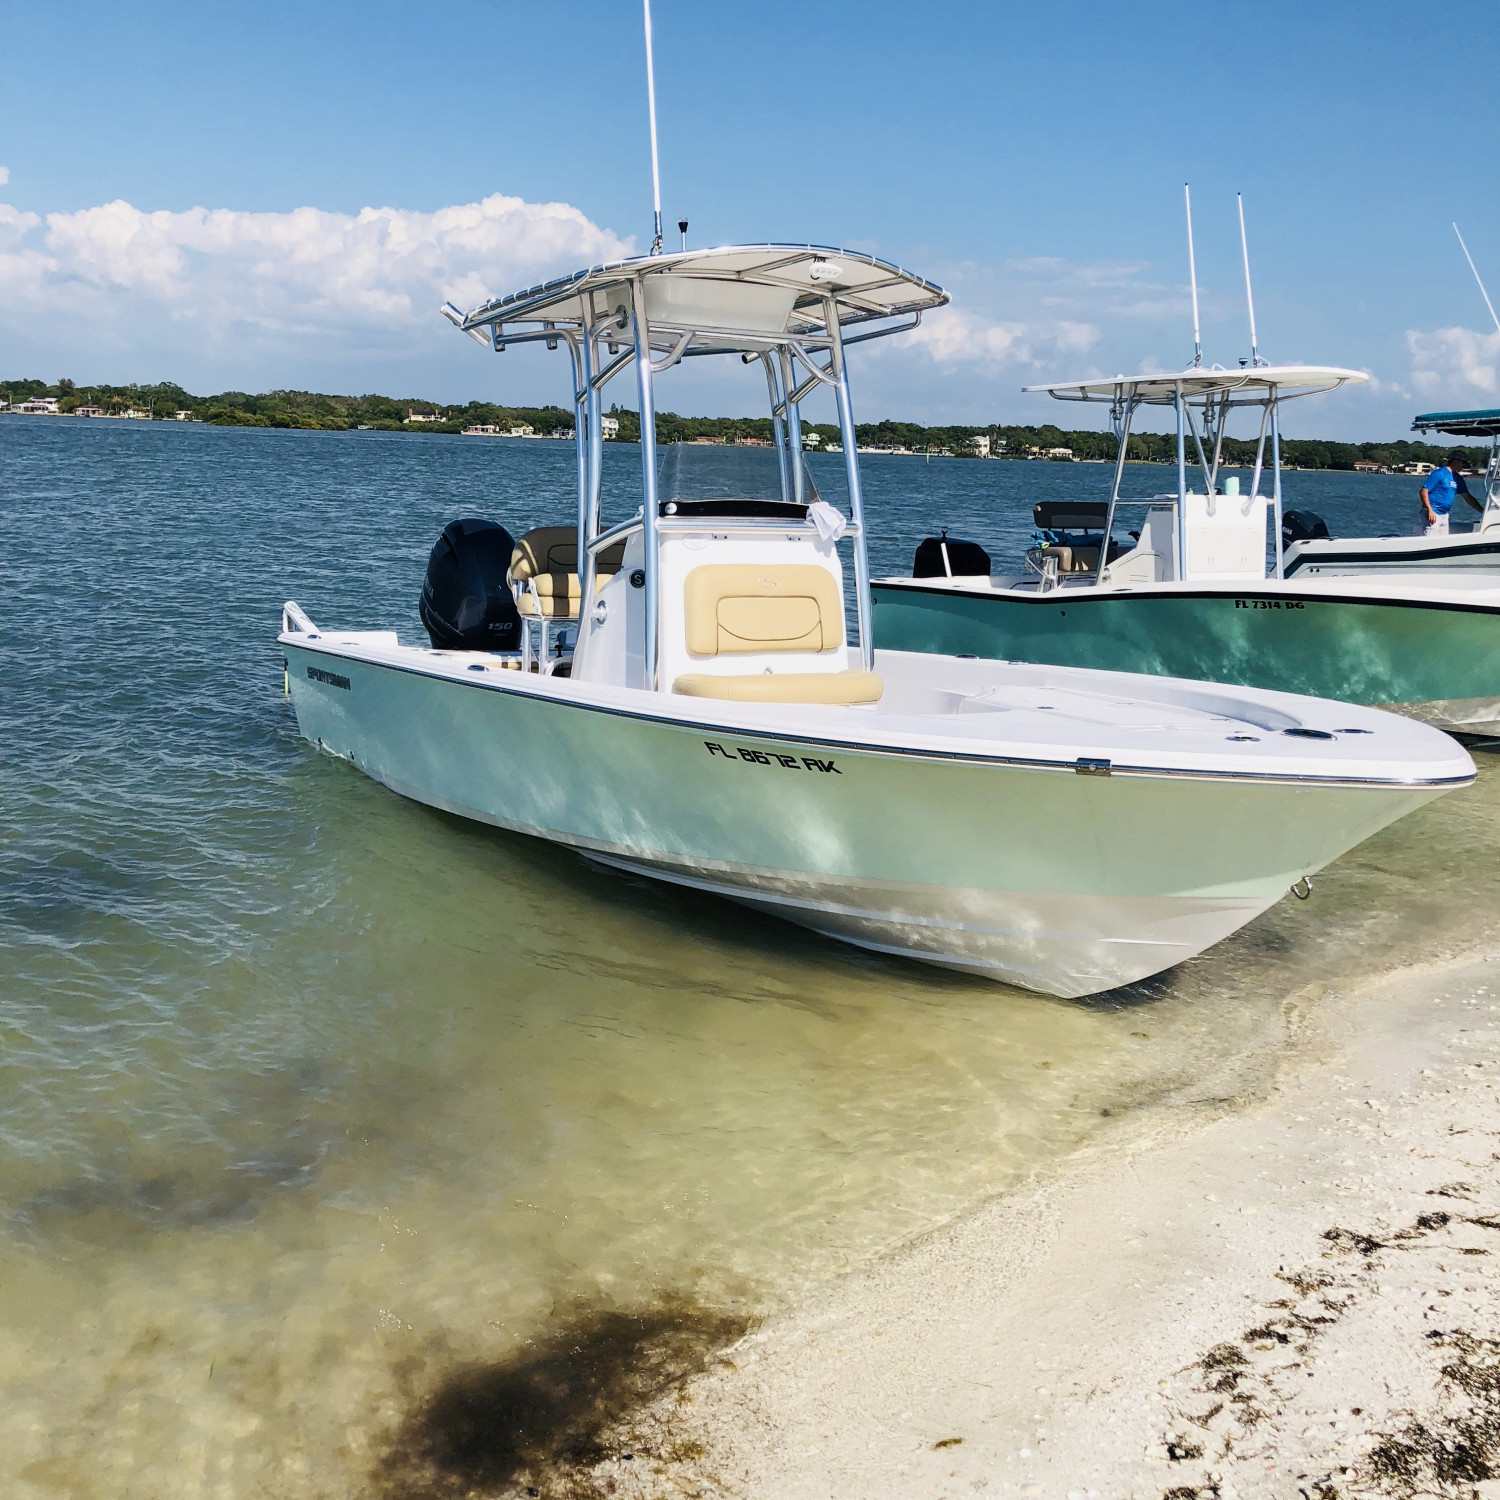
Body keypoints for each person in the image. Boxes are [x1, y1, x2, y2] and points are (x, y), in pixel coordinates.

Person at [1420, 450, 1482, 535]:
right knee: (1431, 539)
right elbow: (1424, 491)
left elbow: (1468, 497)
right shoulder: (1440, 473)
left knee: (1443, 541)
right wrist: (1429, 510)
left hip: (1444, 514)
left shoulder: (1458, 479)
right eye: (1462, 463)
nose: (1463, 466)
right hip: (1433, 512)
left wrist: (1482, 511)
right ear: (1456, 462)